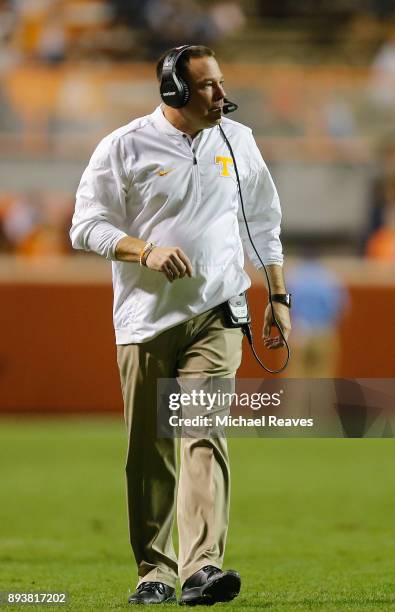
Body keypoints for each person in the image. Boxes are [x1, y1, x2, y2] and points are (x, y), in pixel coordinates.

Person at [70, 44, 291, 606]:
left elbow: (262, 220)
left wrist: (278, 294)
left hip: (217, 311)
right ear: (174, 93)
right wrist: (143, 251)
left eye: (220, 82)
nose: (221, 95)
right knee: (150, 449)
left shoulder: (238, 141)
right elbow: (85, 226)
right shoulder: (124, 145)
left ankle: (202, 569)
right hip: (145, 319)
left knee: (204, 436)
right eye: (207, 87)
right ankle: (154, 572)